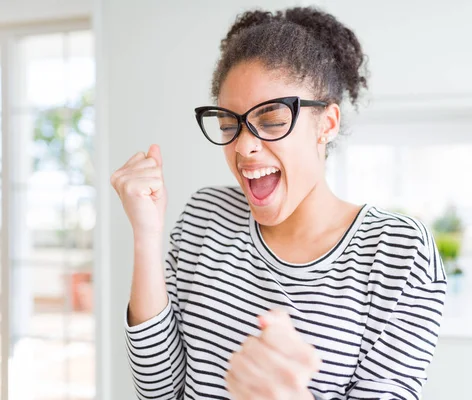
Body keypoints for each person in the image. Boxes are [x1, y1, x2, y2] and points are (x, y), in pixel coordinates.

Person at [111, 6, 447, 400]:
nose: (244, 146)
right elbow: (159, 392)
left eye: (271, 120)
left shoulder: (399, 252)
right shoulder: (205, 217)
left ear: (327, 123)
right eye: (228, 124)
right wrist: (146, 234)